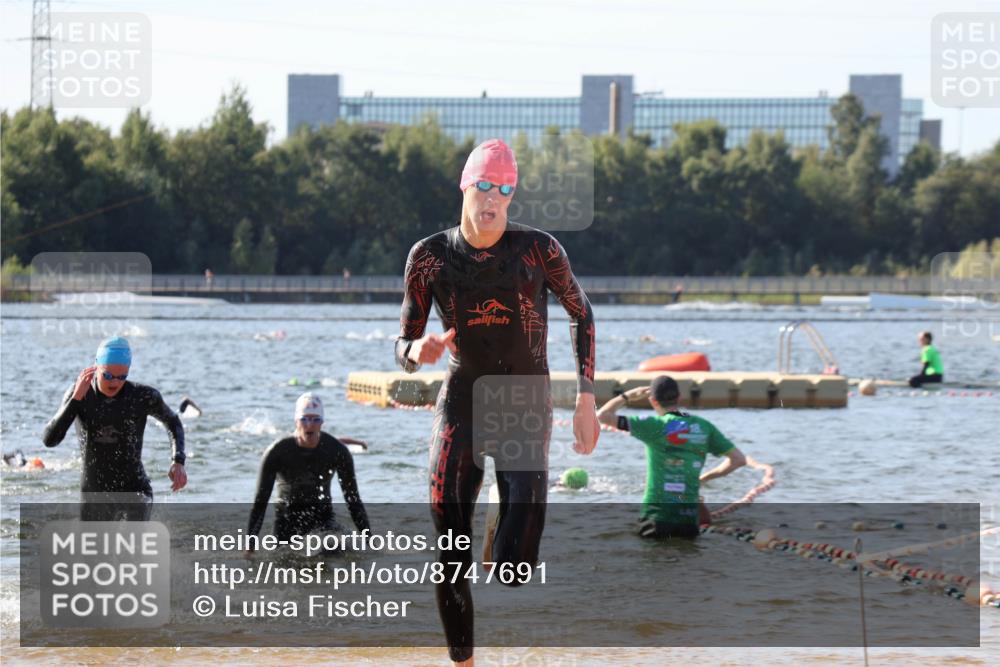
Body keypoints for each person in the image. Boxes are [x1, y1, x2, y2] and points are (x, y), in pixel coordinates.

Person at [395, 138, 599, 666]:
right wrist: (418, 350)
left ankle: (501, 535)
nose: (494, 199)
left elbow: (582, 313)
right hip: (462, 396)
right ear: (465, 187)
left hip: (525, 402)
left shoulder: (538, 250)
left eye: (505, 190)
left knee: (513, 568)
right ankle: (462, 663)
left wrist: (585, 398)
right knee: (450, 553)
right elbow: (403, 348)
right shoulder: (429, 257)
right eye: (485, 185)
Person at [41, 336, 187, 520]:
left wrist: (178, 461)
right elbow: (49, 440)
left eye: (122, 377)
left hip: (135, 490)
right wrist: (75, 400)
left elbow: (173, 422)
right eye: (108, 375)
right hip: (94, 494)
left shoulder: (141, 396)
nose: (115, 383)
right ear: (95, 367)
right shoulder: (79, 394)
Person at [596, 376, 745, 539]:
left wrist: (627, 396)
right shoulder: (704, 426)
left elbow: (602, 416)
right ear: (679, 398)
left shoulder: (653, 424)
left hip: (657, 515)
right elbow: (738, 460)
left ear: (653, 401)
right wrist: (703, 479)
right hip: (688, 518)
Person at [246, 393, 370, 550]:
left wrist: (369, 540)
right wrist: (249, 548)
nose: (309, 424)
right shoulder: (277, 452)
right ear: (296, 421)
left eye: (315, 419)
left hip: (324, 523)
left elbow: (353, 501)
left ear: (322, 423)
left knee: (336, 548)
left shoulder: (336, 451)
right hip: (286, 525)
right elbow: (259, 503)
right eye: (304, 419)